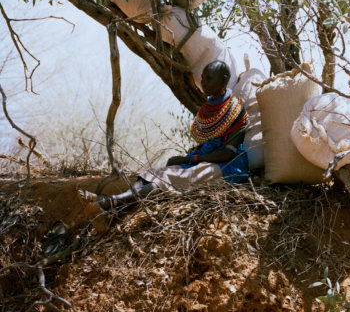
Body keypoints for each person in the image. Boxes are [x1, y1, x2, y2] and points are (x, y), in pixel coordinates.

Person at [77, 60, 249, 232]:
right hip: (204, 161)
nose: (203, 83)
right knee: (150, 173)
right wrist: (190, 158)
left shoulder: (235, 109)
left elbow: (227, 153)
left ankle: (109, 201)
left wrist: (191, 158)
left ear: (224, 80)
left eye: (209, 79)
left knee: (173, 178)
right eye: (203, 78)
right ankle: (110, 212)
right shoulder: (208, 108)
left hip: (227, 168)